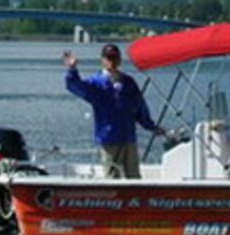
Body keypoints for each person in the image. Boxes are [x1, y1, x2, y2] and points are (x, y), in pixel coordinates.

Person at [63, 43, 165, 179]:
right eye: (108, 58)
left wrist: (151, 126)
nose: (112, 61)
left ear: (120, 60)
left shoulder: (129, 82)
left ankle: (134, 199)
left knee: (134, 176)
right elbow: (75, 86)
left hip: (129, 137)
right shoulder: (95, 83)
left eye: (114, 57)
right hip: (108, 138)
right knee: (112, 176)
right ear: (102, 60)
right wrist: (72, 69)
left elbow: (140, 107)